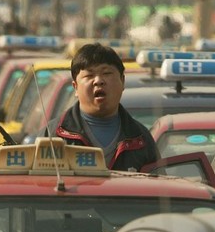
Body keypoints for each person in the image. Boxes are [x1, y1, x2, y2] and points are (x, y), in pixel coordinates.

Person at [42, 43, 159, 172]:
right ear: (75, 87)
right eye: (89, 75)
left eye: (107, 73)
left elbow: (157, 186)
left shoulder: (140, 139)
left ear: (122, 81)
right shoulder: (54, 135)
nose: (98, 81)